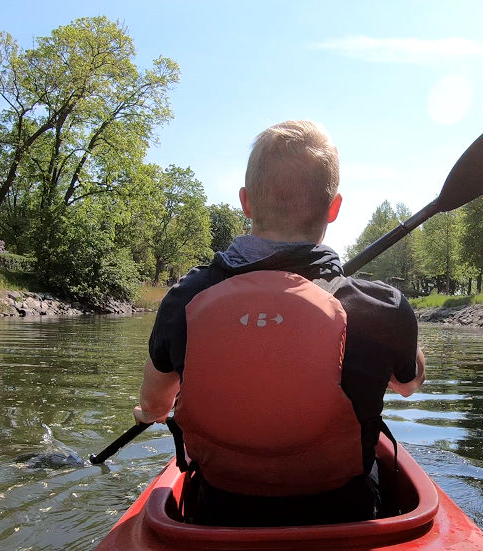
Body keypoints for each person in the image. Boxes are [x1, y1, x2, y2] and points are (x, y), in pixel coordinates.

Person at [134, 120, 425, 526]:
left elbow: (155, 404)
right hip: (346, 515)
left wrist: (145, 412)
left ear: (245, 202)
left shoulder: (185, 298)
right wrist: (404, 339)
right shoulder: (383, 308)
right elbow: (408, 385)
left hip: (217, 516)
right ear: (334, 208)